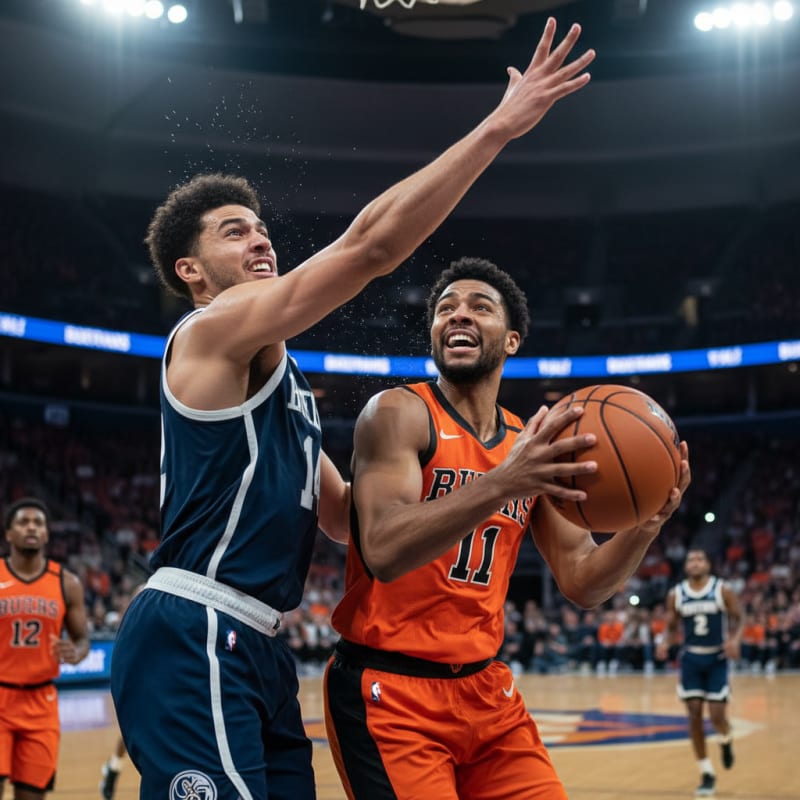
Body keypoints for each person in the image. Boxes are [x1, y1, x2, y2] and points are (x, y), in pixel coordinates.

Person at [110, 18, 597, 800]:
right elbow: (371, 248)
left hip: (261, 643)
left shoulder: (287, 391)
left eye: (263, 228)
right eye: (235, 233)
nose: (261, 241)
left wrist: (491, 478)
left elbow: (352, 526)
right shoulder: (208, 331)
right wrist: (499, 128)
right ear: (191, 270)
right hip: (195, 621)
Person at [324, 257, 691, 800]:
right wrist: (503, 482)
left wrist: (644, 526)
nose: (458, 315)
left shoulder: (531, 445)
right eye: (445, 309)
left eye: (480, 307)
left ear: (512, 340)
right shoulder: (398, 413)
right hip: (390, 691)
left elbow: (582, 581)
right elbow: (381, 548)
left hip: (487, 689)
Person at [0, 497, 90, 800]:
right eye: (23, 522)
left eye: (38, 523)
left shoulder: (67, 583)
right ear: (8, 533)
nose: (31, 528)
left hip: (41, 703)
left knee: (31, 795)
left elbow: (82, 639)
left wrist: (76, 653)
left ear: (47, 534)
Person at [656, 547, 743, 798]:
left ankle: (725, 739)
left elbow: (738, 617)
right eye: (691, 559)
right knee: (694, 714)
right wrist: (664, 642)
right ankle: (706, 773)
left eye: (700, 559)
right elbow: (672, 625)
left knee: (717, 716)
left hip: (717, 658)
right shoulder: (677, 594)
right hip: (691, 658)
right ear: (686, 567)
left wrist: (734, 639)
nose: (695, 563)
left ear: (708, 564)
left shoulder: (721, 589)